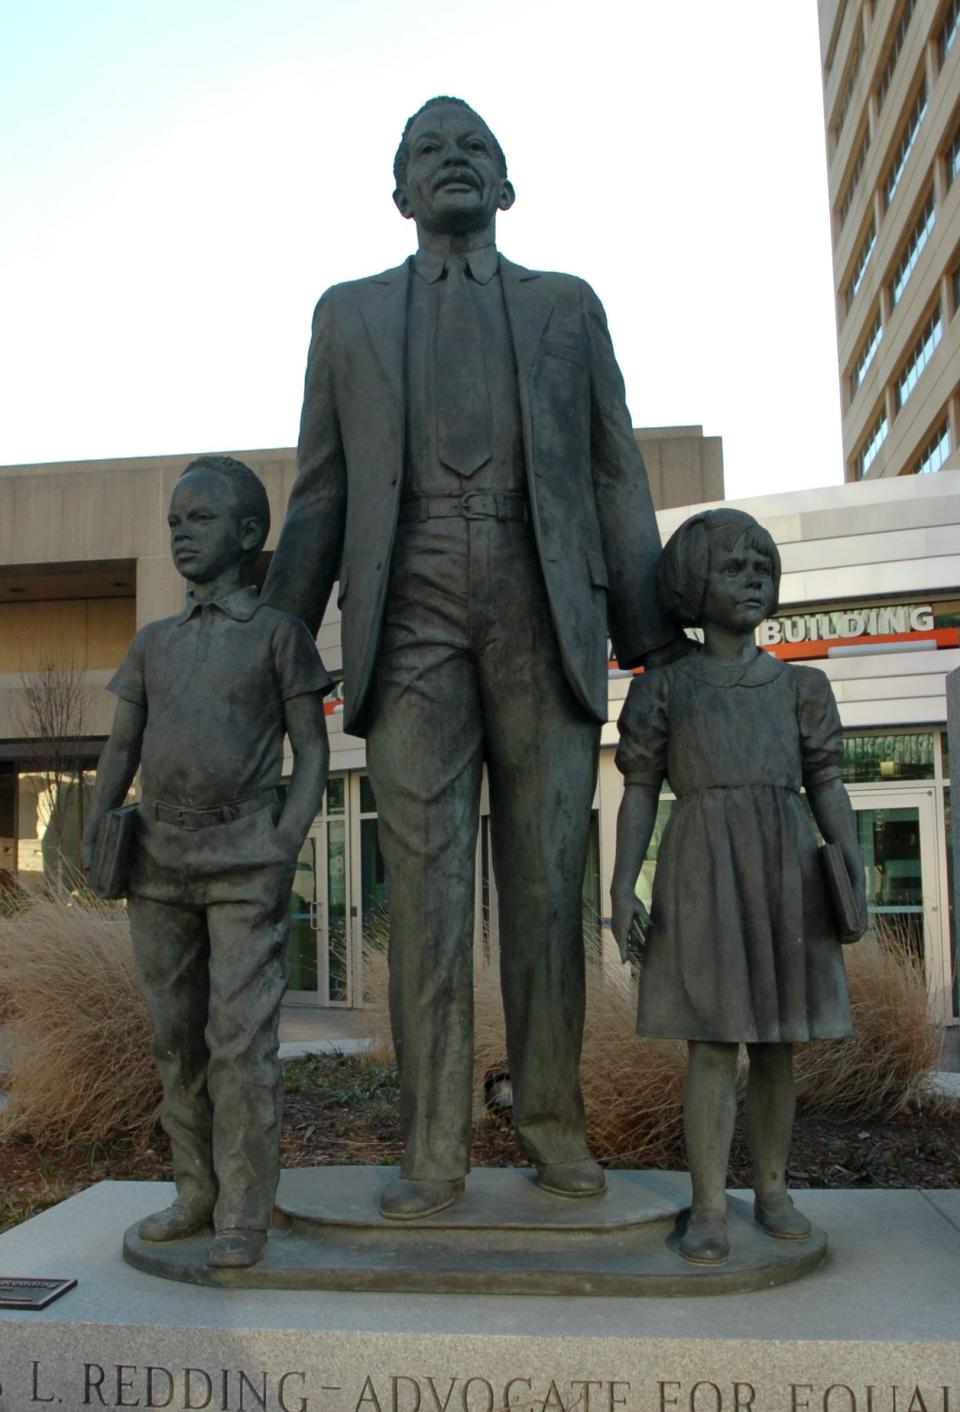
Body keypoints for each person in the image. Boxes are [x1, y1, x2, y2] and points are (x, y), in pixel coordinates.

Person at [263, 97, 682, 1220]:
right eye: (427, 153)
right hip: (408, 606)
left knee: (549, 884)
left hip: (542, 597)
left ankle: (552, 1122)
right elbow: (322, 489)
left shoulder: (566, 306)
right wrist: (276, 632)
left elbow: (612, 473)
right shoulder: (347, 316)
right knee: (431, 895)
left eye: (475, 151)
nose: (452, 163)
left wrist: (650, 642)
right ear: (399, 192)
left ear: (506, 187)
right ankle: (433, 1146)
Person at [82, 455, 331, 1269]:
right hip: (158, 862)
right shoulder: (153, 645)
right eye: (174, 523)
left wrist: (280, 844)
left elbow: (314, 753)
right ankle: (194, 1192)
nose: (183, 535)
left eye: (201, 520)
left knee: (240, 1042)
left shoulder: (278, 637)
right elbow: (120, 750)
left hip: (243, 863)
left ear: (250, 534)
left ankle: (244, 1208)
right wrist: (95, 827)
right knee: (174, 1038)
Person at [610, 508, 866, 1265]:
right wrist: (623, 886)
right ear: (692, 583)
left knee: (780, 1041)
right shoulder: (664, 691)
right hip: (702, 864)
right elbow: (637, 792)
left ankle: (776, 1190)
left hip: (785, 863)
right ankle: (712, 1205)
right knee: (714, 1045)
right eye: (732, 567)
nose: (752, 579)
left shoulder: (802, 686)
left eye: (763, 567)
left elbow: (828, 781)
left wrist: (847, 862)